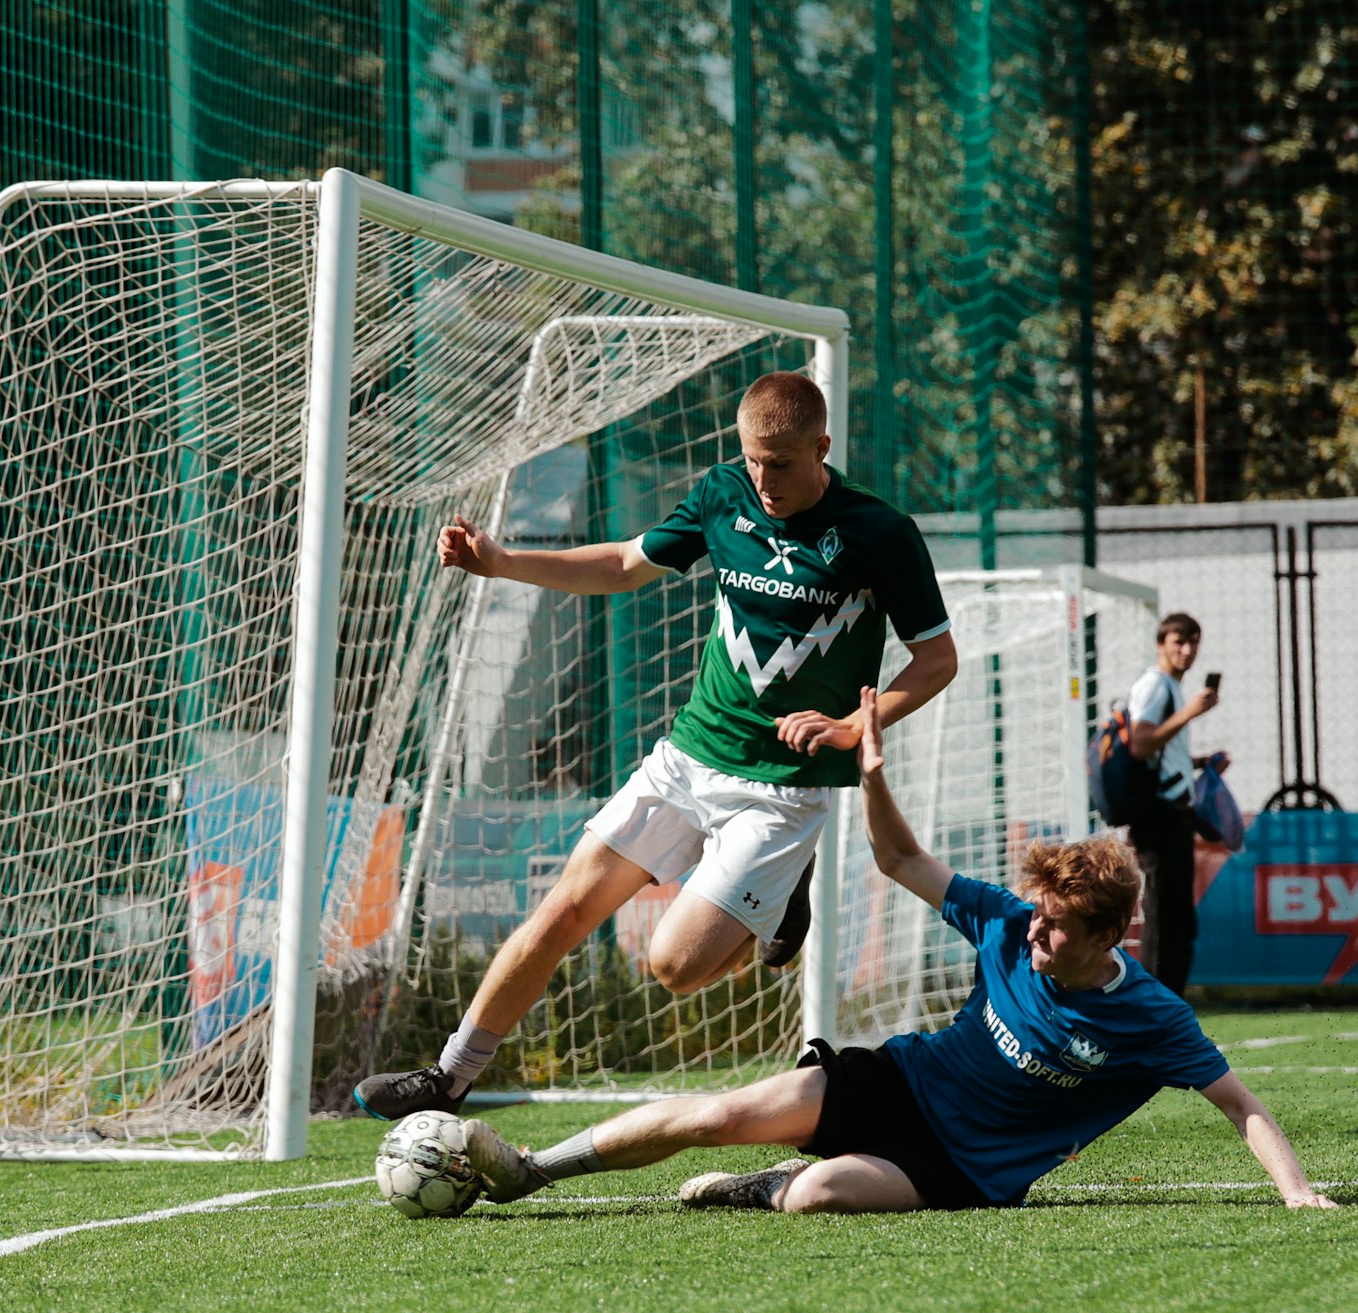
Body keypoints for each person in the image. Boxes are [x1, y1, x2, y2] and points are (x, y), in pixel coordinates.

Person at [456, 686, 1338, 1215]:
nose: (1036, 929)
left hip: (961, 1168)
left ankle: (761, 1185)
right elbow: (901, 859)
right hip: (897, 1079)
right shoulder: (1002, 921)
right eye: (1037, 913)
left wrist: (1295, 1190)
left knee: (816, 1198)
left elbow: (1239, 1104)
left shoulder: (1149, 1014)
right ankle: (533, 1169)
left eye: (1058, 924)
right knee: (711, 1115)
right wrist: (871, 775)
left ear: (1109, 937)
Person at [354, 372, 958, 1120]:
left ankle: (776, 897)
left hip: (782, 789)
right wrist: (503, 561)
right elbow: (621, 565)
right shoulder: (723, 495)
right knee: (563, 911)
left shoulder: (881, 533)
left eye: (781, 462)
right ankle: (448, 1078)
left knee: (671, 966)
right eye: (752, 460)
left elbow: (937, 660)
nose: (763, 480)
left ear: (821, 448)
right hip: (687, 756)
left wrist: (852, 727)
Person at [1125, 611, 1227, 997]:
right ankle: (1156, 1007)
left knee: (1177, 920)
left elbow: (1161, 753)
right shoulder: (1156, 685)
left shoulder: (1169, 687)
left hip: (1172, 815)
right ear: (1160, 644)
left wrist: (1202, 762)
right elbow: (1140, 743)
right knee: (1166, 920)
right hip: (1159, 816)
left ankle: (1164, 1006)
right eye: (1178, 642)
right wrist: (1191, 712)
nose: (1187, 650)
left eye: (1193, 641)